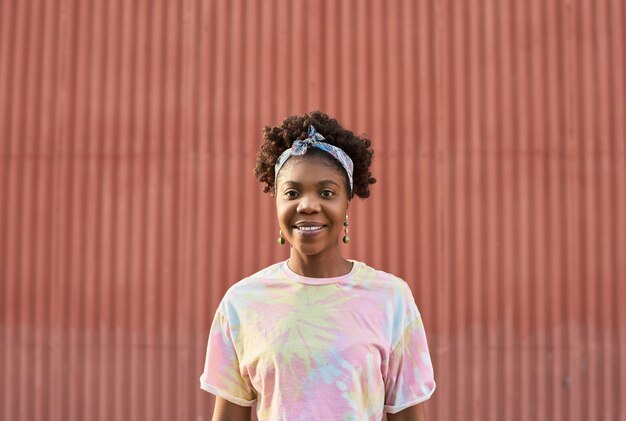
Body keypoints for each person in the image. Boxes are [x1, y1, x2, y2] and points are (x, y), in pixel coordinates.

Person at [200, 111, 436, 420]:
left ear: (346, 203)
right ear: (276, 203)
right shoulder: (243, 302)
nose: (308, 205)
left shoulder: (390, 298)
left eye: (326, 192)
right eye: (292, 193)